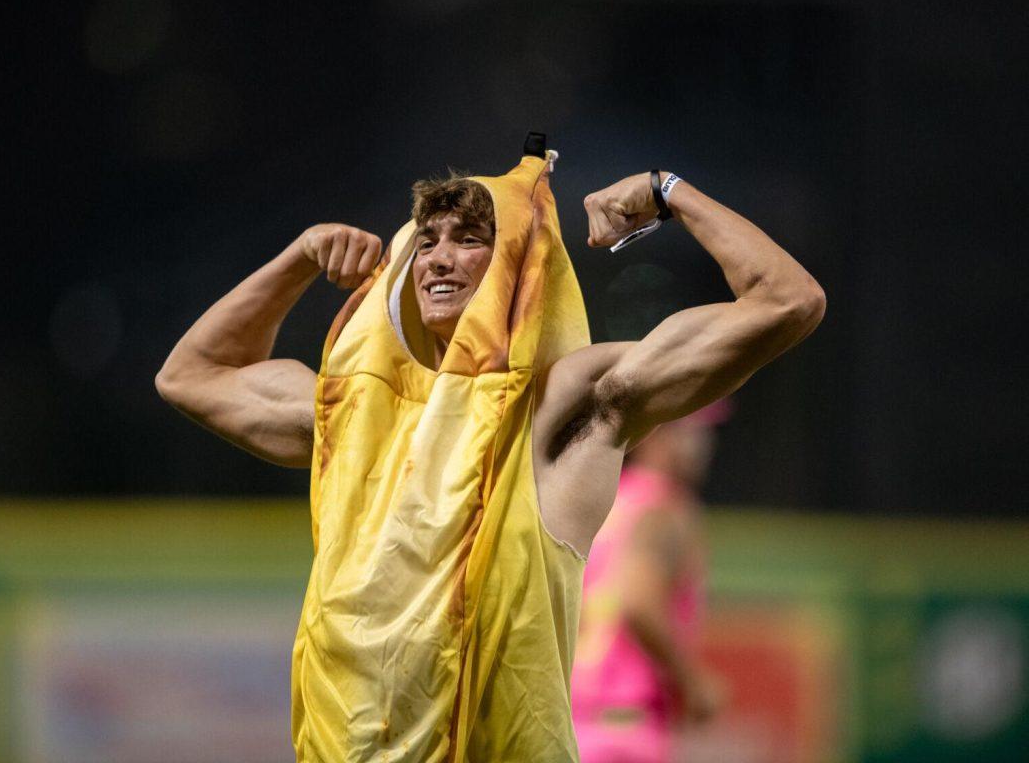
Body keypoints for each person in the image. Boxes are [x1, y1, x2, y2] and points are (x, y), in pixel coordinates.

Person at [157, 141, 824, 762]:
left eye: (470, 239)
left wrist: (668, 192)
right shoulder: (355, 414)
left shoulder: (564, 405)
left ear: (518, 266)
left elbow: (787, 302)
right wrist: (298, 260)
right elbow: (190, 375)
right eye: (427, 242)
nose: (440, 257)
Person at [572, 402, 730, 763]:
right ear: (654, 431)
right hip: (625, 733)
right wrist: (693, 683)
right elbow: (639, 602)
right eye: (691, 427)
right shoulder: (665, 509)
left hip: (571, 725)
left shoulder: (606, 504)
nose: (703, 443)